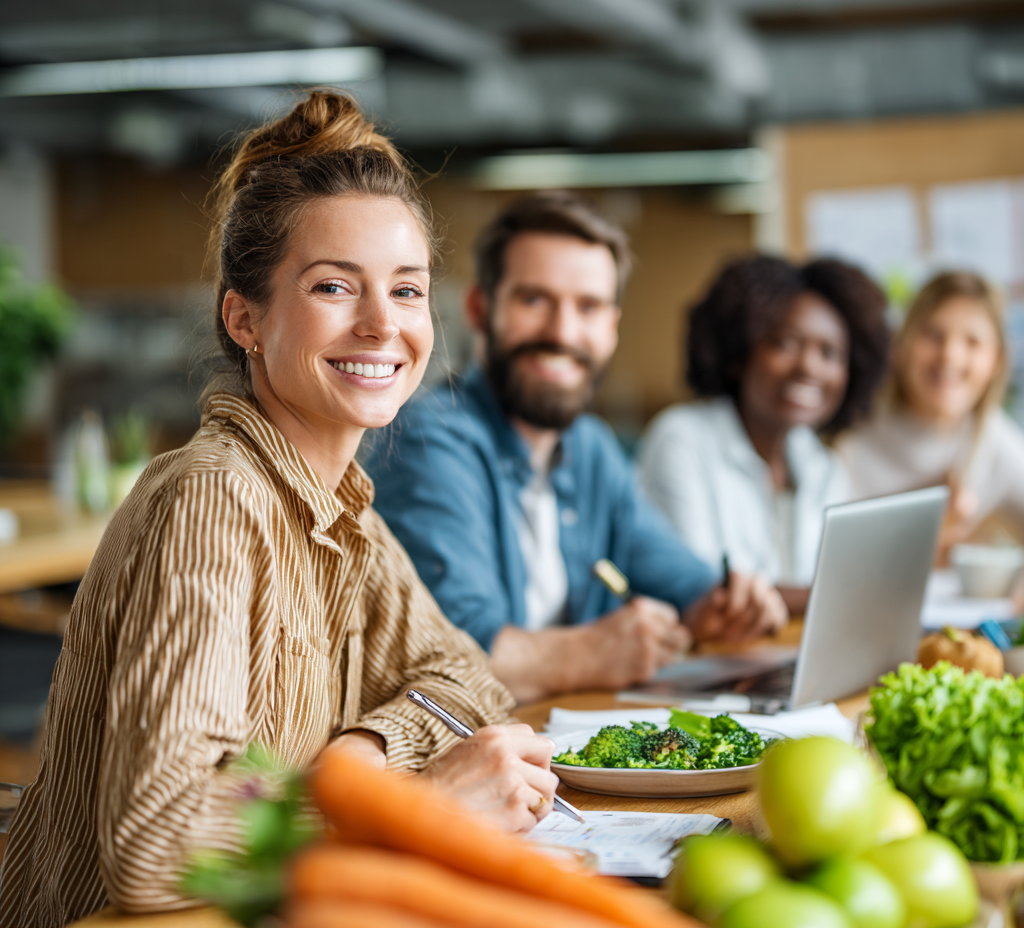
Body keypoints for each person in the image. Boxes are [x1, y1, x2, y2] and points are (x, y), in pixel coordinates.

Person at [0, 93, 559, 928]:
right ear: (245, 318)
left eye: (407, 291)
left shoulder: (344, 514)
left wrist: (367, 754)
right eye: (334, 286)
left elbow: (471, 681)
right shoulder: (214, 498)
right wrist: (419, 801)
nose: (383, 324)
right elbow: (155, 843)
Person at [369, 192, 787, 704]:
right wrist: (587, 653)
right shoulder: (429, 437)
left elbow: (684, 579)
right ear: (480, 308)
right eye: (533, 300)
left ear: (610, 328)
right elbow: (447, 657)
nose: (563, 332)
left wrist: (723, 606)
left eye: (588, 307)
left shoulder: (591, 447)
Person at [638, 256, 891, 614]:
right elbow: (704, 592)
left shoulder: (823, 465)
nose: (808, 366)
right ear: (739, 352)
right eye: (785, 343)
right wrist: (846, 596)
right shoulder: (682, 440)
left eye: (829, 353)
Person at [837, 269, 1024, 563]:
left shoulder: (988, 436)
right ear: (902, 344)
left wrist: (1022, 569)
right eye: (933, 335)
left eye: (972, 342)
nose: (950, 355)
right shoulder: (852, 423)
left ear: (996, 361)